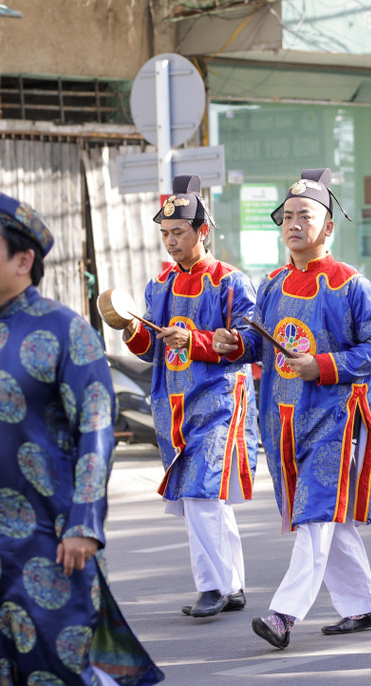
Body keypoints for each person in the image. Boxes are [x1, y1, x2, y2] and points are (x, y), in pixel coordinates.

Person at [0, 188, 161, 684]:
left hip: (47, 546)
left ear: (23, 259)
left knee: (60, 670)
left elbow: (97, 430)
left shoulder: (66, 332)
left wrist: (84, 524)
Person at [216, 169, 371, 651]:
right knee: (323, 517)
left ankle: (283, 614)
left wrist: (326, 365)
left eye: (305, 216)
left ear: (328, 226)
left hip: (336, 418)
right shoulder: (271, 283)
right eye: (287, 216)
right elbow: (260, 345)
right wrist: (236, 344)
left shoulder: (351, 284)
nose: (293, 224)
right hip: (282, 420)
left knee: (315, 514)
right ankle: (364, 603)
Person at [118, 174, 258, 619]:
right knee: (204, 498)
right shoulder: (159, 284)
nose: (170, 241)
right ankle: (232, 584)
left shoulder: (231, 281)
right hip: (171, 404)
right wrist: (130, 328)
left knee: (200, 493)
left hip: (217, 399)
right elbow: (149, 348)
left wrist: (196, 341)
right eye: (165, 234)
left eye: (178, 232)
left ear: (203, 232)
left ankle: (213, 587)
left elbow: (250, 342)